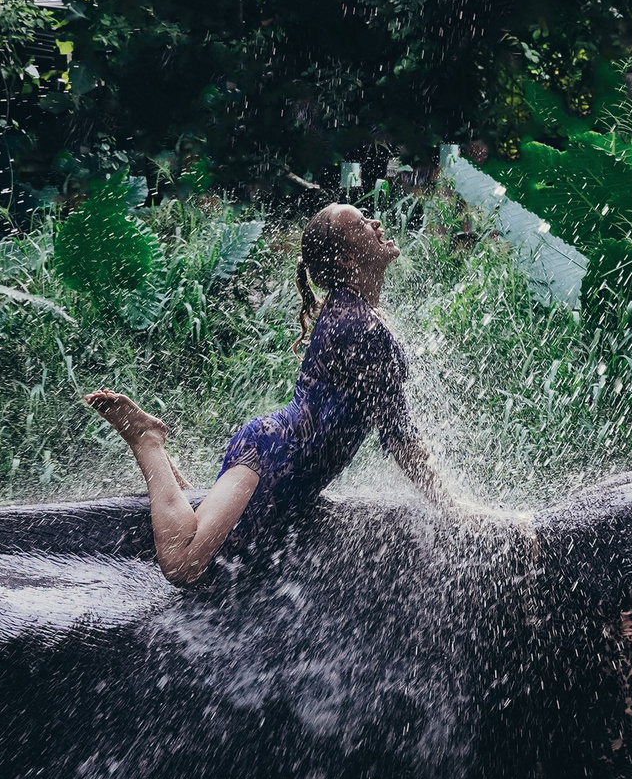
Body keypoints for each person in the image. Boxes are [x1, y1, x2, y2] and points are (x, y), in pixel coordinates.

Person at [86, 203, 462, 584]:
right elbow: (399, 435)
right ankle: (148, 440)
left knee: (214, 544)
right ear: (347, 259)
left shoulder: (357, 313)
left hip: (288, 471)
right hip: (271, 456)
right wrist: (451, 508)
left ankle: (180, 480)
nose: (375, 222)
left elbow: (395, 428)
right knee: (183, 564)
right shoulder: (358, 323)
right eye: (362, 223)